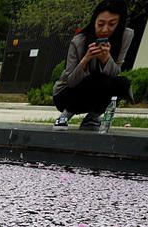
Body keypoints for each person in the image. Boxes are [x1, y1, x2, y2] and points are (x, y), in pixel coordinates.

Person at [53, 0, 134, 131]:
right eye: (100, 24)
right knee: (96, 78)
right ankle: (64, 116)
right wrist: (85, 60)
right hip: (67, 94)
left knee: (122, 83)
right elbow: (70, 81)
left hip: (97, 90)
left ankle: (93, 117)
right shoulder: (79, 41)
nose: (105, 29)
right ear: (94, 21)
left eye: (112, 24)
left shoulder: (125, 36)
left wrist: (106, 60)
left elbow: (115, 73)